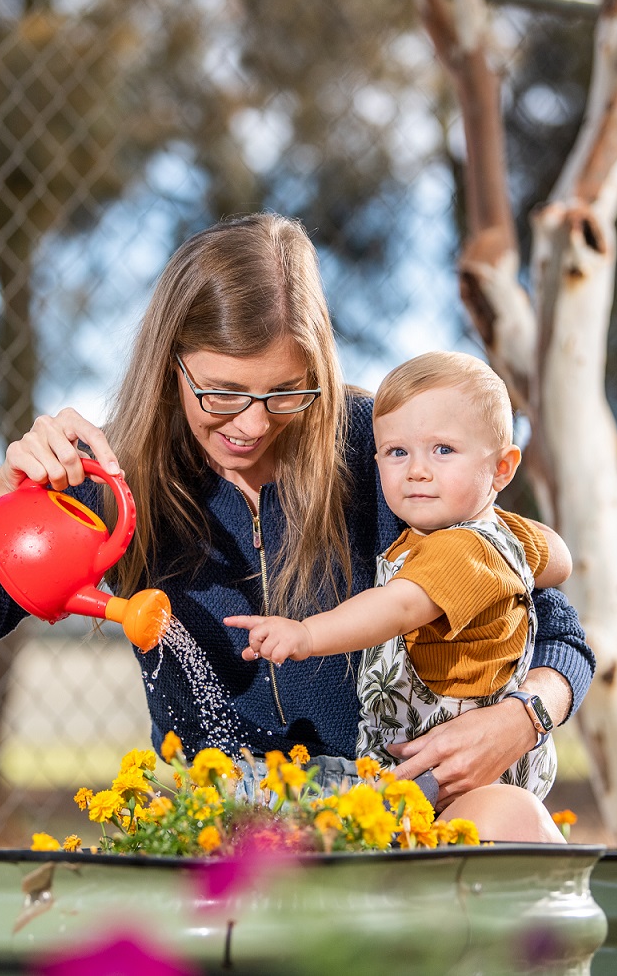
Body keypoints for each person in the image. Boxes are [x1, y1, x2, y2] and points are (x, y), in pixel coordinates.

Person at [0, 213, 594, 842]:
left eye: (286, 392)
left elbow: (551, 626)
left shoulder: (382, 451)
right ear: (171, 365)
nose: (252, 425)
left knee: (509, 821)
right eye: (221, 393)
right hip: (229, 831)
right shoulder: (114, 483)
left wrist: (523, 717)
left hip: (392, 814)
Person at [226, 351, 567, 836]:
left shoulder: (465, 550)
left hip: (456, 772)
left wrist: (305, 633)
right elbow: (557, 557)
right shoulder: (479, 533)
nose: (417, 471)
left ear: (502, 469)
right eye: (397, 452)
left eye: (443, 450)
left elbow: (398, 606)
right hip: (426, 767)